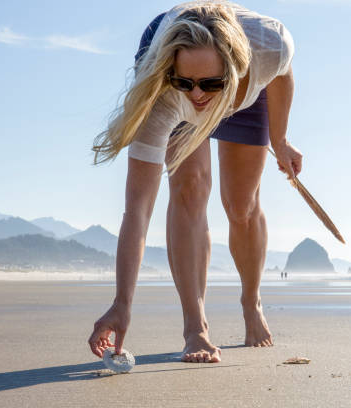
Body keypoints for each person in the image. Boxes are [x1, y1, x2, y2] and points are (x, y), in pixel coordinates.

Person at [88, 1, 302, 363]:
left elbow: (283, 73)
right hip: (167, 78)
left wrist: (280, 141)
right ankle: (196, 328)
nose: (199, 95)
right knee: (189, 190)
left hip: (243, 89)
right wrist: (121, 304)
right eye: (188, 83)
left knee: (241, 205)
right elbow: (137, 210)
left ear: (232, 69)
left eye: (209, 85)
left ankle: (252, 302)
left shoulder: (270, 44)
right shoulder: (165, 93)